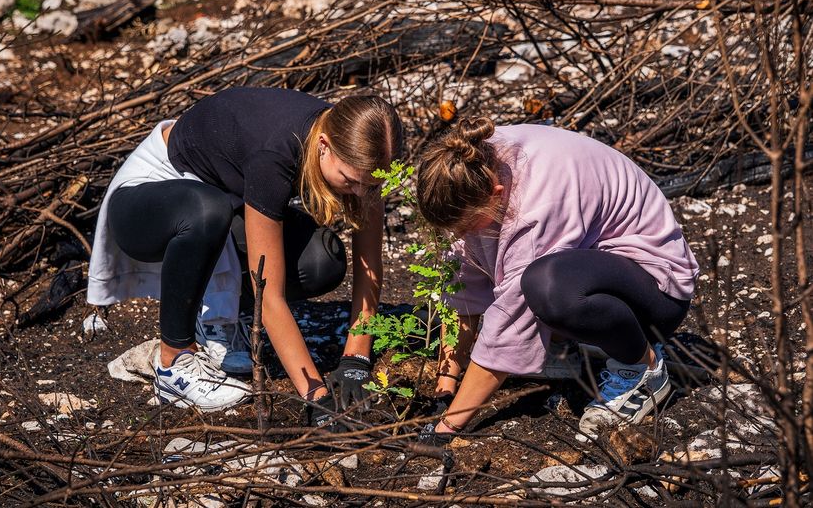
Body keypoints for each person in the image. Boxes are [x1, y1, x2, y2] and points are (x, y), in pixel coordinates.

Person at [87, 87, 402, 421]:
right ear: (324, 146)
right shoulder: (276, 152)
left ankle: (218, 315)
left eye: (371, 186)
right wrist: (317, 398)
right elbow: (268, 294)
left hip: (220, 199)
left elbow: (369, 261)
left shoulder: (361, 149)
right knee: (208, 211)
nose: (361, 193)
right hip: (146, 201)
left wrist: (356, 358)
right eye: (352, 182)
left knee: (322, 259)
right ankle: (172, 361)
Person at [415, 117, 698, 439]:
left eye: (466, 224)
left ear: (495, 194)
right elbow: (465, 283)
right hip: (595, 269)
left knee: (544, 285)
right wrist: (446, 381)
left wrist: (448, 425)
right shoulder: (471, 162)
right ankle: (562, 350)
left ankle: (641, 369)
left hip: (655, 290)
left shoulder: (535, 208)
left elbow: (510, 319)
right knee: (520, 269)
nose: (461, 234)